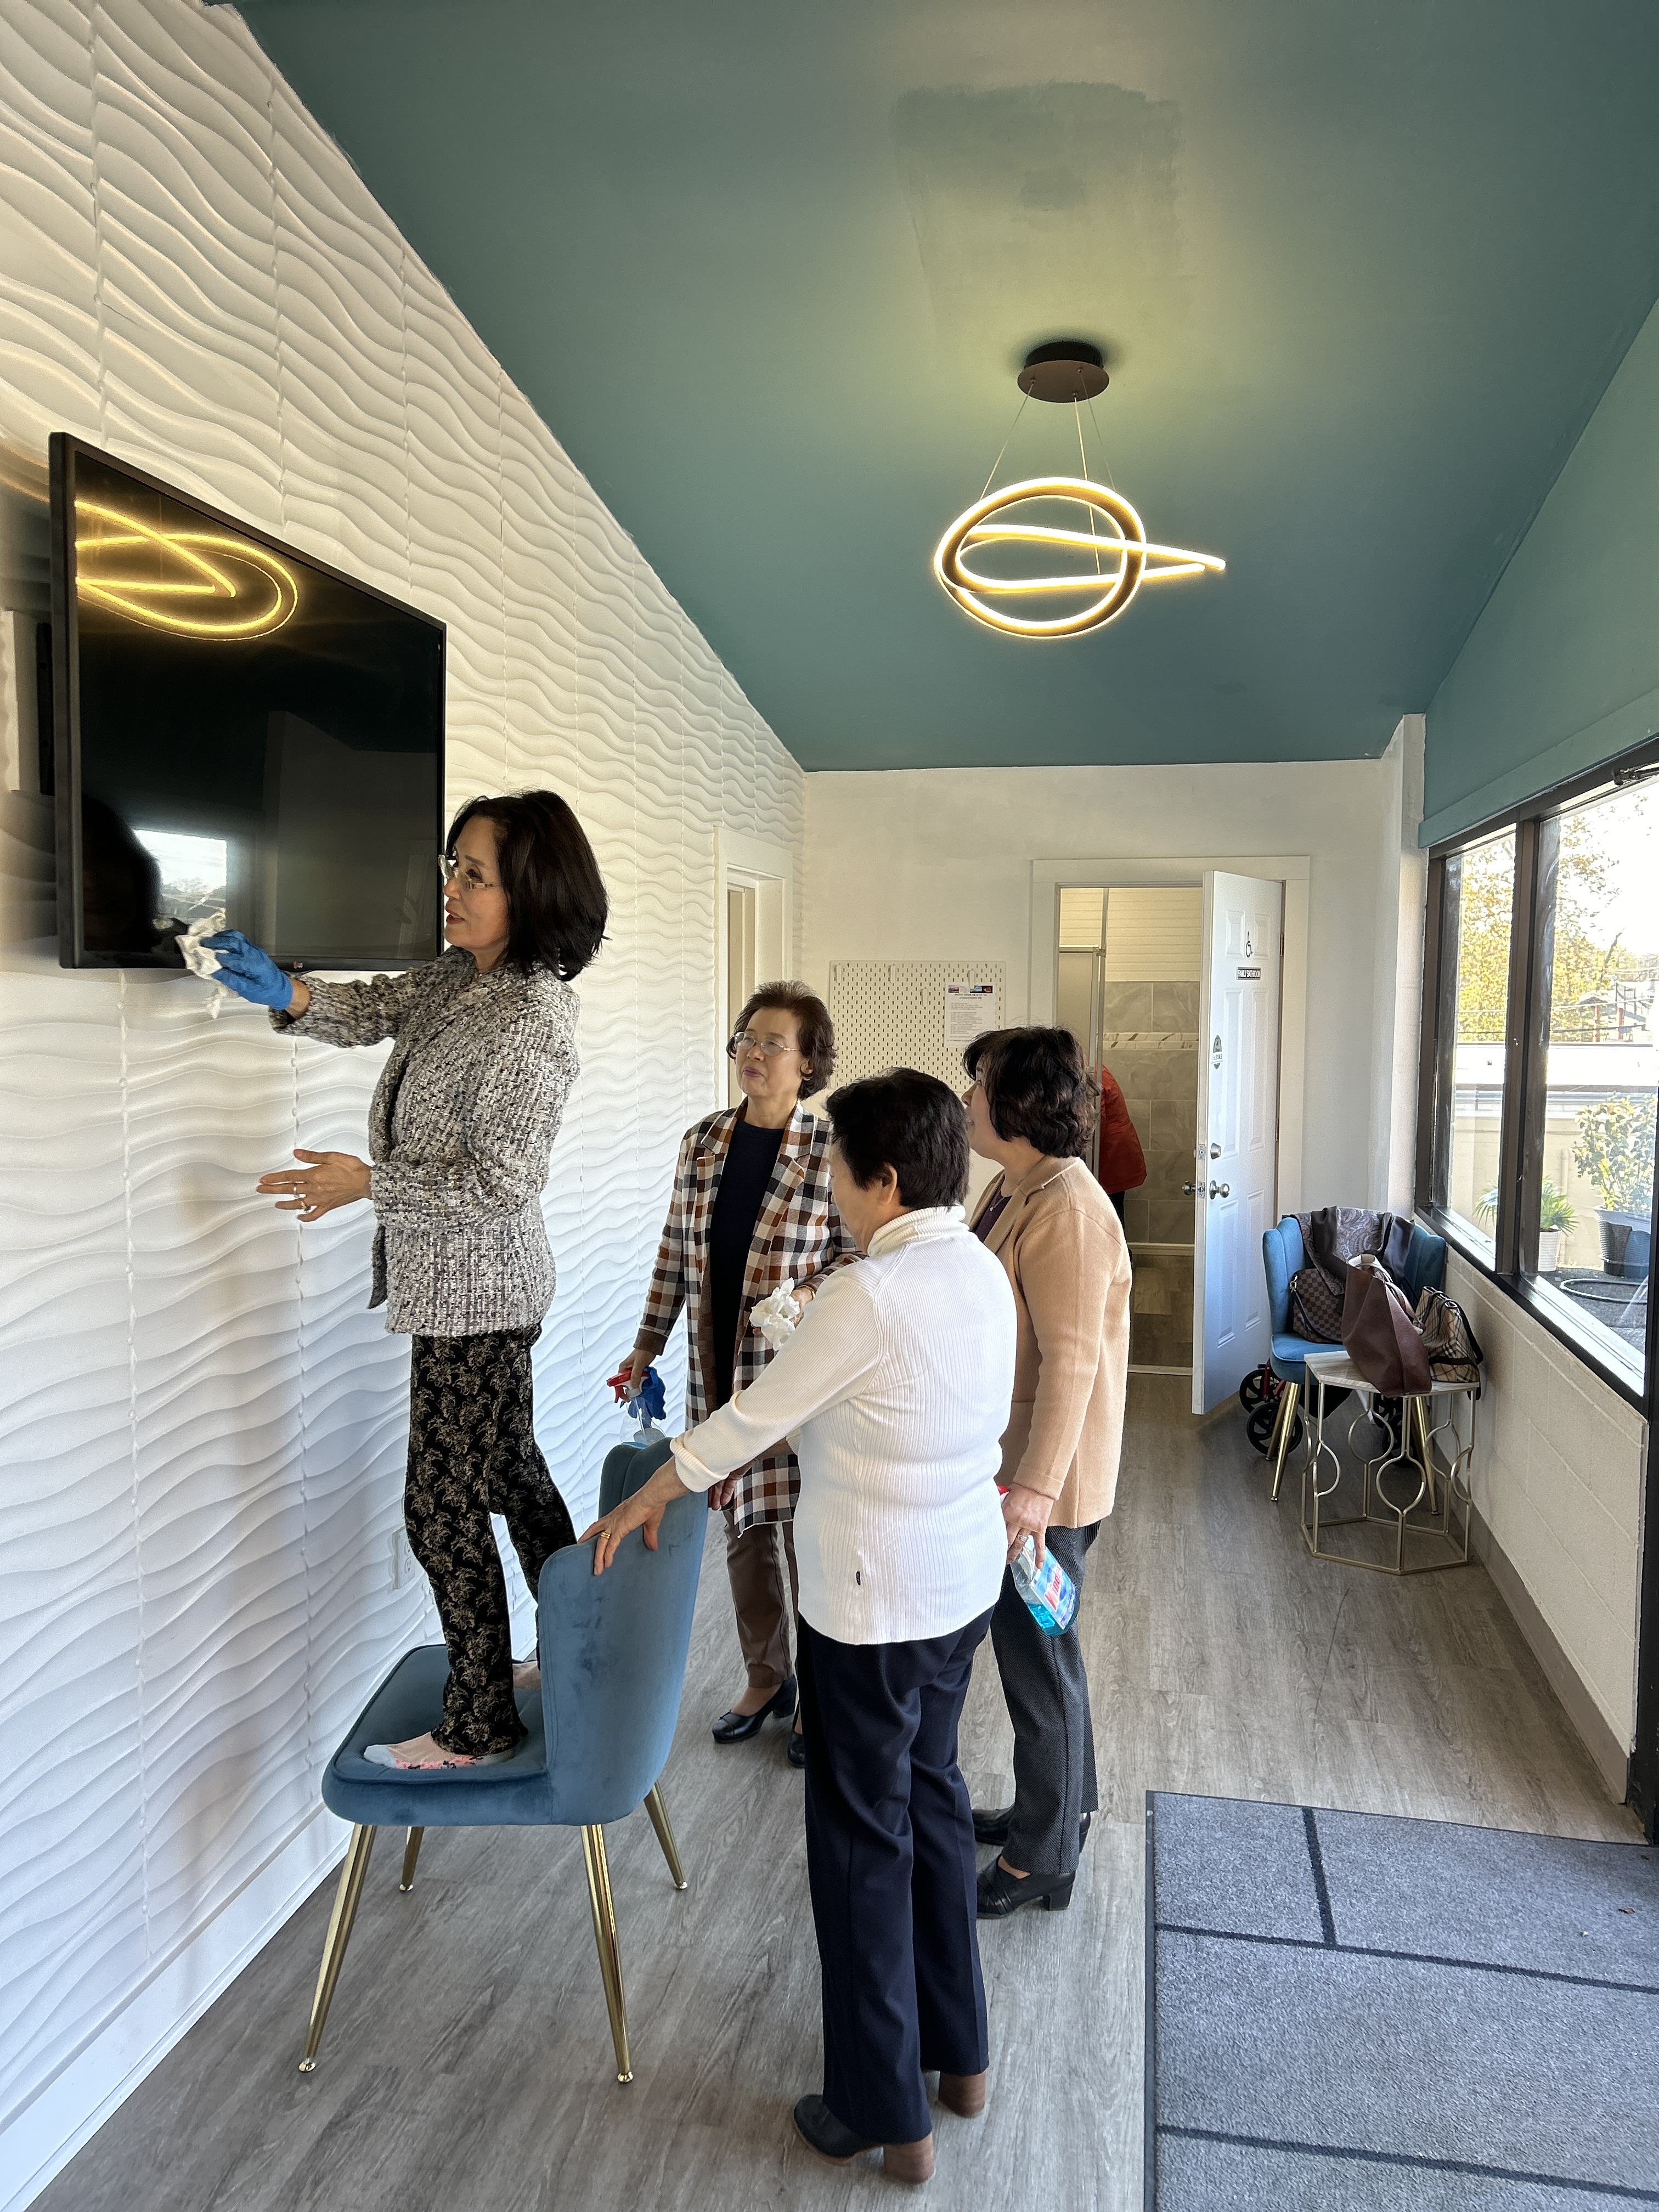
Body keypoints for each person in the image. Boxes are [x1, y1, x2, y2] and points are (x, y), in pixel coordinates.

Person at [586, 1071, 1016, 2182]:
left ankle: (884, 2111)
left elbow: (750, 1420)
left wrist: (647, 1494)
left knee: (861, 1843)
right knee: (933, 1801)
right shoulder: (973, 1265)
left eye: (836, 1173)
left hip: (872, 1604)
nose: (828, 1191)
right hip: (959, 1588)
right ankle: (960, 2058)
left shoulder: (866, 1296)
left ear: (883, 1181)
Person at [206, 791, 607, 1769]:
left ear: (530, 891)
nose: (451, 889)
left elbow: (502, 1184)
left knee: (438, 1510)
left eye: (475, 875)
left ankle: (479, 1723)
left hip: (482, 1299)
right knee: (508, 1473)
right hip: (462, 1292)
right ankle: (577, 1648)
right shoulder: (461, 975)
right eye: (450, 868)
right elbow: (376, 1007)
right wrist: (285, 991)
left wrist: (368, 1183)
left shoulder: (532, 1019)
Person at [626, 984, 855, 1766]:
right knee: (741, 1527)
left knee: (802, 1534)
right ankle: (765, 1676)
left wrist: (807, 1293)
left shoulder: (831, 1148)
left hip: (794, 1372)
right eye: (745, 1040)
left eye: (771, 1044)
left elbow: (856, 1254)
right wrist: (646, 1345)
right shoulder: (703, 1140)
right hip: (714, 1362)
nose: (752, 1054)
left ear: (809, 1063)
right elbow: (674, 1249)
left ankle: (819, 1694)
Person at [962, 1026, 1133, 1915]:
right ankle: (1058, 1812)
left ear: (1018, 1103)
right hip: (1016, 1468)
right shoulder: (1013, 1186)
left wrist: (1031, 1494)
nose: (966, 1100)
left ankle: (1042, 1859)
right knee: (1041, 1652)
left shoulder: (1066, 1208)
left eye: (979, 1084)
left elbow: (1071, 1363)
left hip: (1045, 1485)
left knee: (1037, 1659)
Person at [1095, 1063, 1147, 1223]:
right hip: (1114, 1151)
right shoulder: (1097, 1070)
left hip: (1111, 1153)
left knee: (1111, 1217)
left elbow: (1097, 1120)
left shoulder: (1093, 1074)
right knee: (1113, 1214)